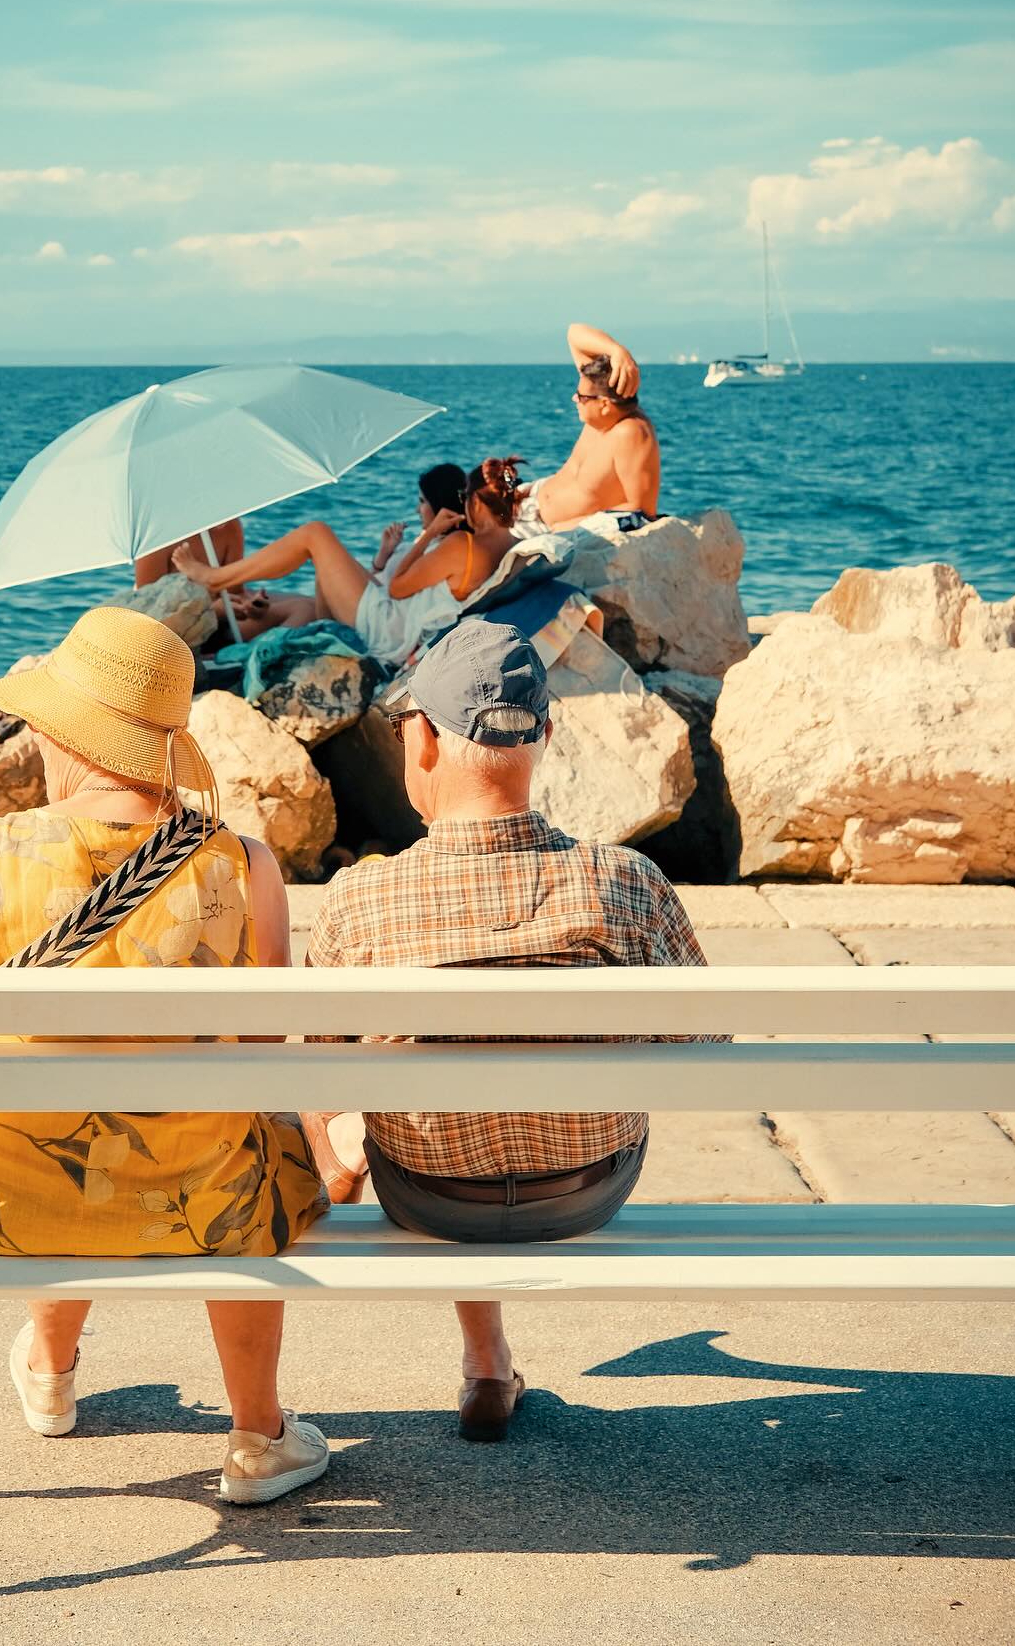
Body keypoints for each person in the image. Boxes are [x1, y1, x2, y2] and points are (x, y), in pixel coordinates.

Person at [0, 606, 331, 1504]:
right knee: (236, 1137)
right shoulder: (244, 864)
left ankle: (48, 1364)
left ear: (69, 735)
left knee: (52, 1130)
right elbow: (270, 1055)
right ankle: (259, 1433)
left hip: (0, 1197)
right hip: (203, 1200)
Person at [303, 617, 712, 1443]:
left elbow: (309, 1073)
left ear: (422, 742)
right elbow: (705, 1051)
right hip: (588, 1182)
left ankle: (485, 1354)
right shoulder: (626, 882)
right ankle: (487, 1362)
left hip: (427, 1192)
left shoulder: (360, 900)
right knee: (496, 1092)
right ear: (545, 737)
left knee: (365, 1094)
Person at [174, 458, 522, 668]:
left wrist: (428, 535)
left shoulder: (461, 543)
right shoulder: (501, 545)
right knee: (326, 562)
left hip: (390, 632)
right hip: (397, 624)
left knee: (316, 533)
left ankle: (216, 578)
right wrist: (389, 556)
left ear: (475, 502)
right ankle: (317, 632)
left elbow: (399, 588)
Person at [518, 323, 661, 529]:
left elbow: (642, 511)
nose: (574, 398)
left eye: (581, 397)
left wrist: (565, 527)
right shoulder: (598, 415)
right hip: (529, 498)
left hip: (544, 527)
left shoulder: (631, 433)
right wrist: (617, 351)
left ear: (604, 404)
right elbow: (573, 333)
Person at [135, 519, 315, 642]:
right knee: (304, 608)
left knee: (310, 606)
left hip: (226, 622)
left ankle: (269, 650)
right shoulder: (157, 541)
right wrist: (214, 610)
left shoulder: (229, 528)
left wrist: (248, 605)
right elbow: (147, 614)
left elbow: (234, 591)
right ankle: (264, 653)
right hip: (186, 634)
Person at [369, 462, 468, 584]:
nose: (417, 510)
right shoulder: (432, 544)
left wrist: (429, 534)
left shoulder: (436, 553)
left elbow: (391, 590)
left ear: (439, 504)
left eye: (422, 501)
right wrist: (384, 552)